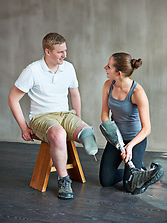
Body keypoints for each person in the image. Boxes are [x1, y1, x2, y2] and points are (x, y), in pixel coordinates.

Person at [8, 32, 98, 200]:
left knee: (84, 129)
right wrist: (23, 127)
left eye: (65, 50)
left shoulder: (68, 67)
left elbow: (75, 94)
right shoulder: (32, 70)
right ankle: (64, 180)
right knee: (59, 134)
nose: (65, 55)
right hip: (41, 117)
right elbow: (13, 98)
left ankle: (86, 135)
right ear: (47, 51)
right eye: (60, 52)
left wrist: (78, 118)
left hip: (65, 114)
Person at [99, 52, 164, 194]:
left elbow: (147, 128)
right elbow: (105, 114)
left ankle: (145, 173)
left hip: (136, 139)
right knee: (106, 181)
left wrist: (130, 146)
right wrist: (111, 133)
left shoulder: (137, 92)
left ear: (119, 73)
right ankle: (138, 172)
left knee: (130, 188)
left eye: (109, 67)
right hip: (116, 138)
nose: (105, 68)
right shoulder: (108, 85)